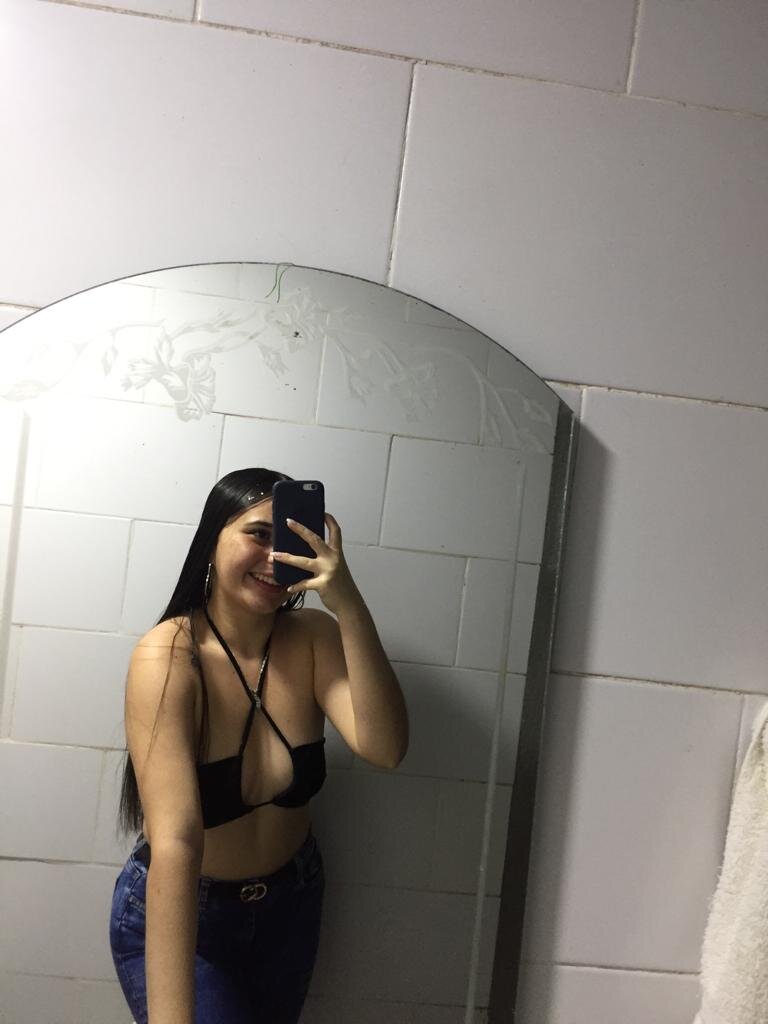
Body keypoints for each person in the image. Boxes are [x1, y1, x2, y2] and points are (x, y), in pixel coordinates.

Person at [109, 467, 409, 1024]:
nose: (275, 557)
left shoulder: (314, 638)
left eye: (289, 539)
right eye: (258, 534)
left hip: (290, 906)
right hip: (187, 915)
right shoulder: (169, 658)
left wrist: (346, 602)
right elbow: (175, 842)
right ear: (212, 539)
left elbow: (385, 746)